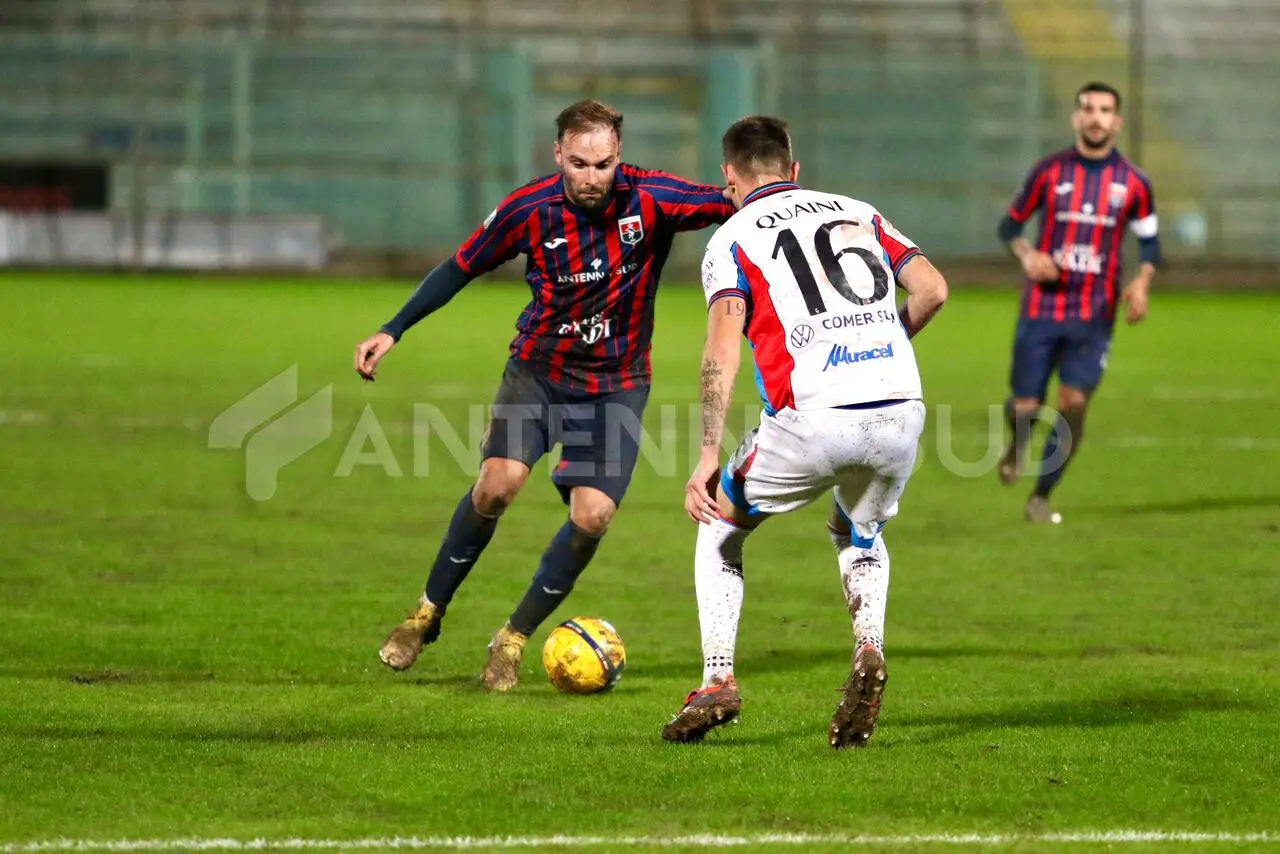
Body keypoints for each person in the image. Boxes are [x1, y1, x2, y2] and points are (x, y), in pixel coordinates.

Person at [354, 99, 735, 691]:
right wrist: (393, 327)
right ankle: (424, 616)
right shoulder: (527, 209)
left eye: (603, 164)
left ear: (619, 157)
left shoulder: (652, 197)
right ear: (557, 154)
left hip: (615, 384)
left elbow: (733, 199)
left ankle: (511, 640)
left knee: (594, 513)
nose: (591, 177)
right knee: (497, 484)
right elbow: (460, 266)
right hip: (540, 374)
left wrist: (796, 203)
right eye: (579, 163)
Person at [660, 116, 948, 747]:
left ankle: (716, 682)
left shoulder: (731, 238)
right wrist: (881, 346)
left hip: (814, 414)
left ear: (728, 177)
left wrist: (708, 451)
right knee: (857, 528)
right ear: (794, 171)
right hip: (902, 406)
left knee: (720, 523)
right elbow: (932, 289)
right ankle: (867, 649)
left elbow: (721, 351)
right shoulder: (859, 212)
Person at [997, 81, 1161, 523]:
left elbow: (1150, 245)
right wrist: (1029, 256)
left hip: (1094, 314)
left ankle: (1041, 496)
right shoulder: (1048, 172)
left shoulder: (1133, 183)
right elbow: (1009, 228)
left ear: (1117, 121)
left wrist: (1142, 282)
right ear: (1075, 118)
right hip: (1041, 310)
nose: (1095, 117)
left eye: (1105, 110)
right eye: (1088, 108)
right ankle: (1018, 442)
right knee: (1025, 407)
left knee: (1073, 405)